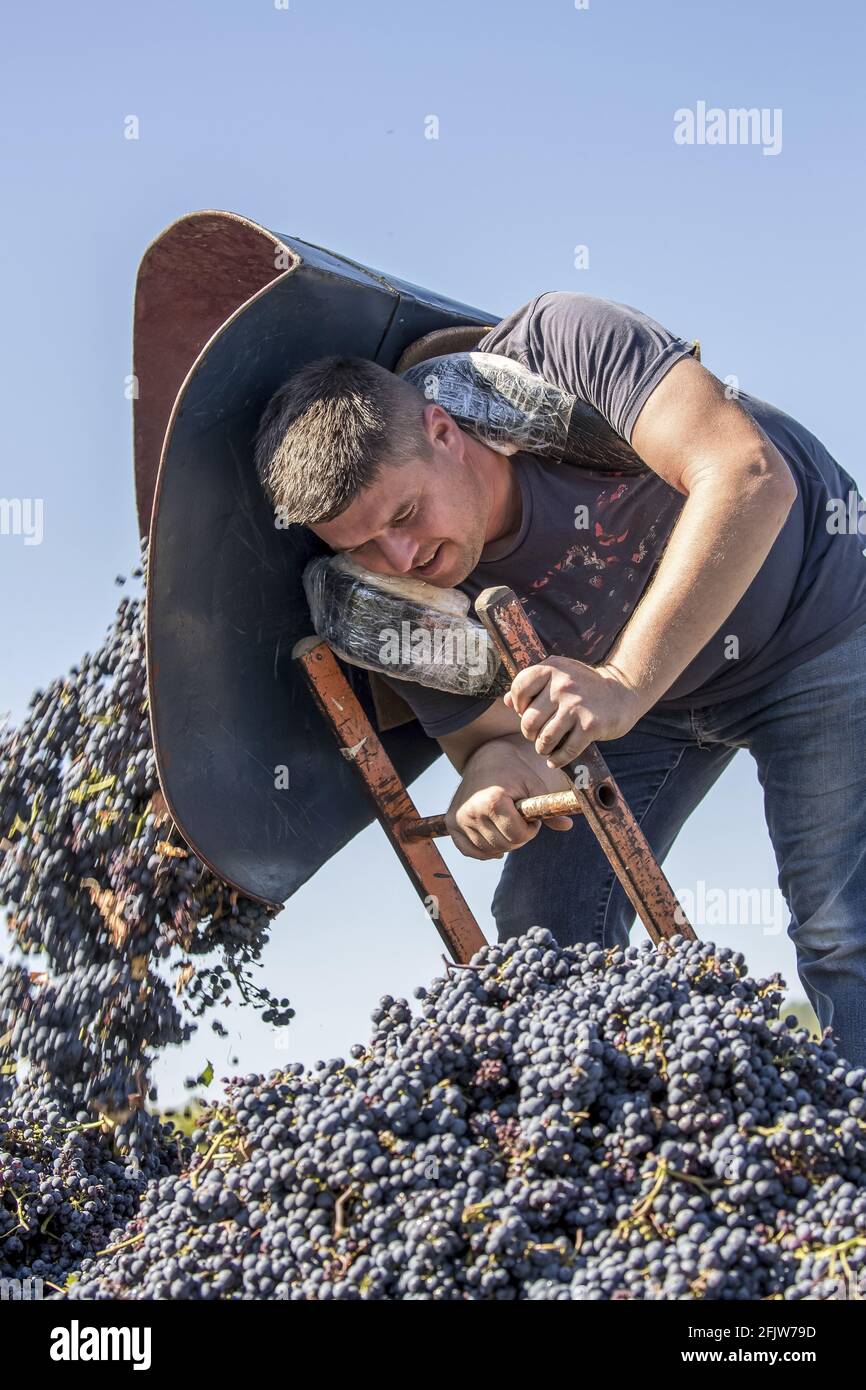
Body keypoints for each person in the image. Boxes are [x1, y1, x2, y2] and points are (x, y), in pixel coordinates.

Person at [254, 291, 866, 1064]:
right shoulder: (394, 603)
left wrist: (622, 681)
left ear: (443, 432)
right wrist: (487, 785)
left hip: (819, 618)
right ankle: (595, 1153)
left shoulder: (564, 342)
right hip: (643, 702)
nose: (400, 558)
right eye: (365, 545)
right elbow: (500, 745)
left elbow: (748, 475)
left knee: (840, 924)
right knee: (546, 922)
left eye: (404, 514)